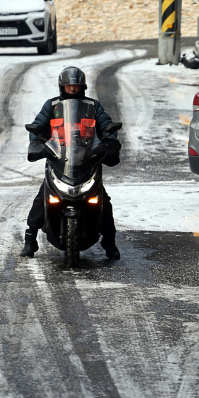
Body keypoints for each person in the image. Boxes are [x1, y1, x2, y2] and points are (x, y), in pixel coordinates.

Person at [20, 66, 121, 259]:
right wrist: (37, 140)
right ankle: (30, 240)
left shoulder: (93, 105)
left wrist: (109, 137)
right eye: (69, 86)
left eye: (76, 86)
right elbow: (38, 125)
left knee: (104, 203)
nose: (72, 89)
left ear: (82, 86)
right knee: (41, 200)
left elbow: (105, 124)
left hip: (86, 161)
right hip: (60, 161)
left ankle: (110, 243)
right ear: (62, 86)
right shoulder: (52, 106)